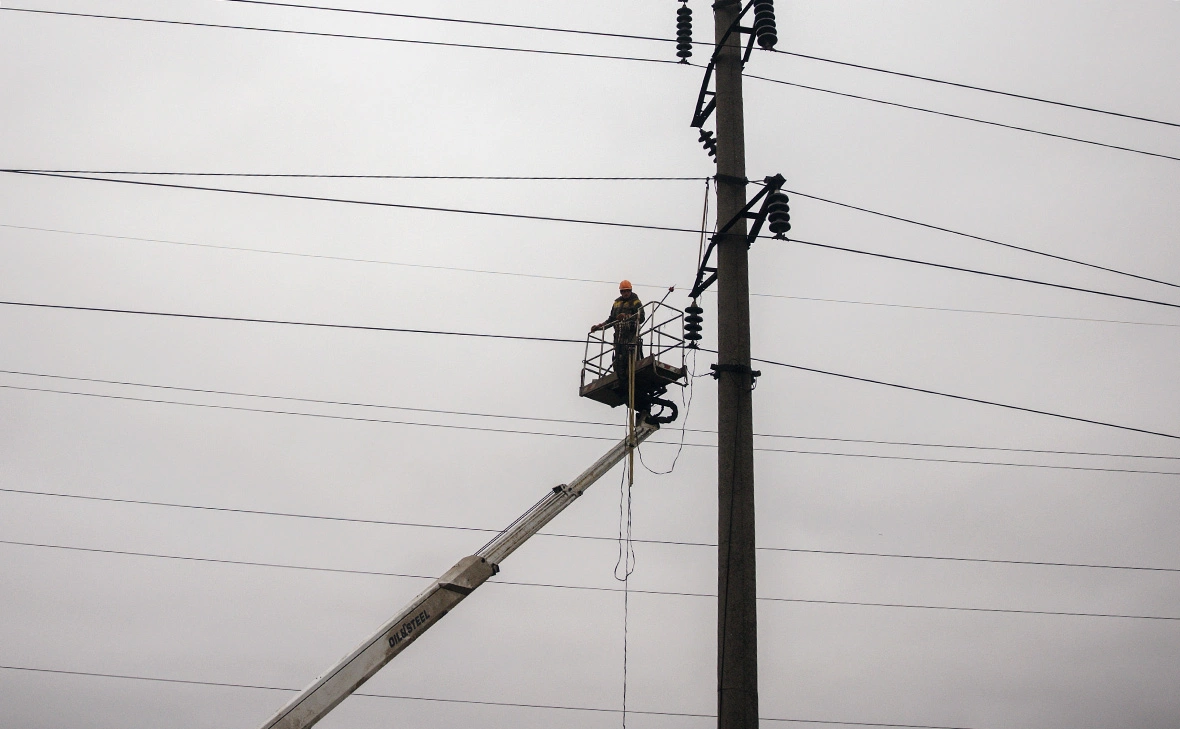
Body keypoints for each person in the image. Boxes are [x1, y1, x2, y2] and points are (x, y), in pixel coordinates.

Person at [590, 280, 645, 381]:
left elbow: (641, 317)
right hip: (619, 335)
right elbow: (611, 319)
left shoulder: (636, 301)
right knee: (619, 359)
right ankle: (621, 377)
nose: (625, 293)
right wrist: (599, 327)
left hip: (631, 334)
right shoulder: (616, 303)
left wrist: (626, 316)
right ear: (620, 292)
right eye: (623, 291)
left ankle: (630, 376)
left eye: (627, 291)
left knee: (630, 356)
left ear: (630, 290)